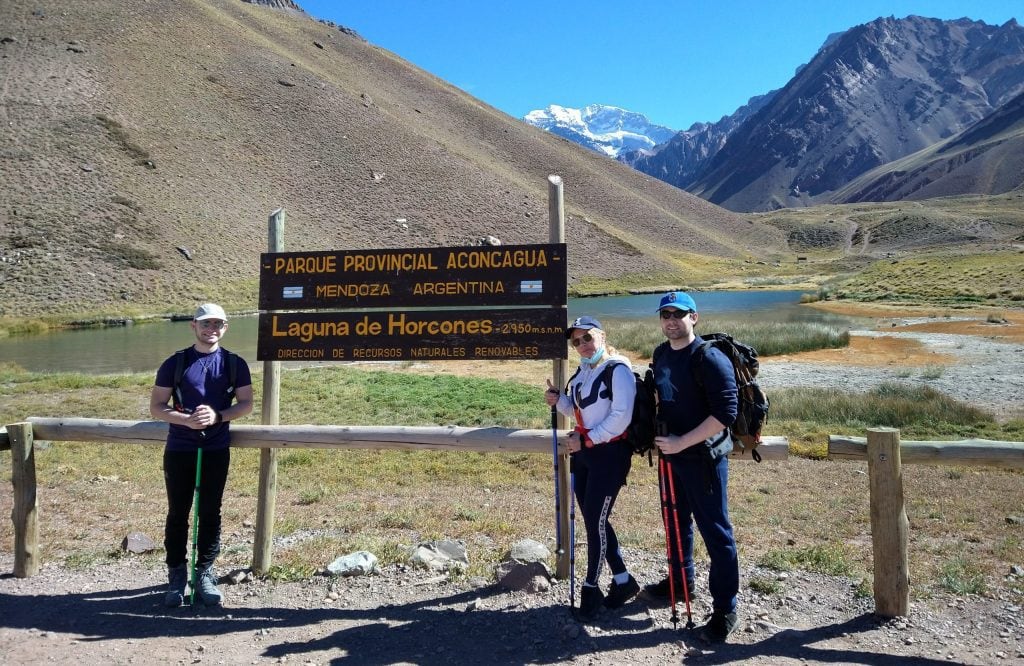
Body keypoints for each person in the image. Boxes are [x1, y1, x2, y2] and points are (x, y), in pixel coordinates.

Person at [646, 291, 740, 642]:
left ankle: (725, 608)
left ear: (694, 317)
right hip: (671, 457)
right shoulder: (660, 354)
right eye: (665, 315)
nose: (671, 320)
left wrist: (683, 442)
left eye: (678, 314)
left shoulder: (710, 358)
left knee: (716, 533)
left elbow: (725, 414)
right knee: (675, 523)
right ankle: (681, 582)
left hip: (703, 461)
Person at [150, 303, 253, 607]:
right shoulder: (176, 362)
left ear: (226, 327)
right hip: (180, 448)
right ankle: (176, 576)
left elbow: (245, 403)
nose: (212, 330)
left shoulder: (235, 363)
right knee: (177, 513)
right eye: (206, 324)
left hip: (215, 449)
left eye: (218, 324)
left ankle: (205, 572)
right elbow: (157, 406)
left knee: (210, 512)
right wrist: (186, 419)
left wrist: (218, 416)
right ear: (193, 326)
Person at [544, 316, 640, 620]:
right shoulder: (584, 372)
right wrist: (559, 400)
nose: (583, 345)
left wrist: (587, 442)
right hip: (586, 454)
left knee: (594, 523)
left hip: (609, 455)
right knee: (594, 519)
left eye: (587, 338)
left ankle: (590, 589)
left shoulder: (619, 370)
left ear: (602, 335)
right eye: (577, 342)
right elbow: (580, 411)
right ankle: (623, 582)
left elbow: (621, 417)